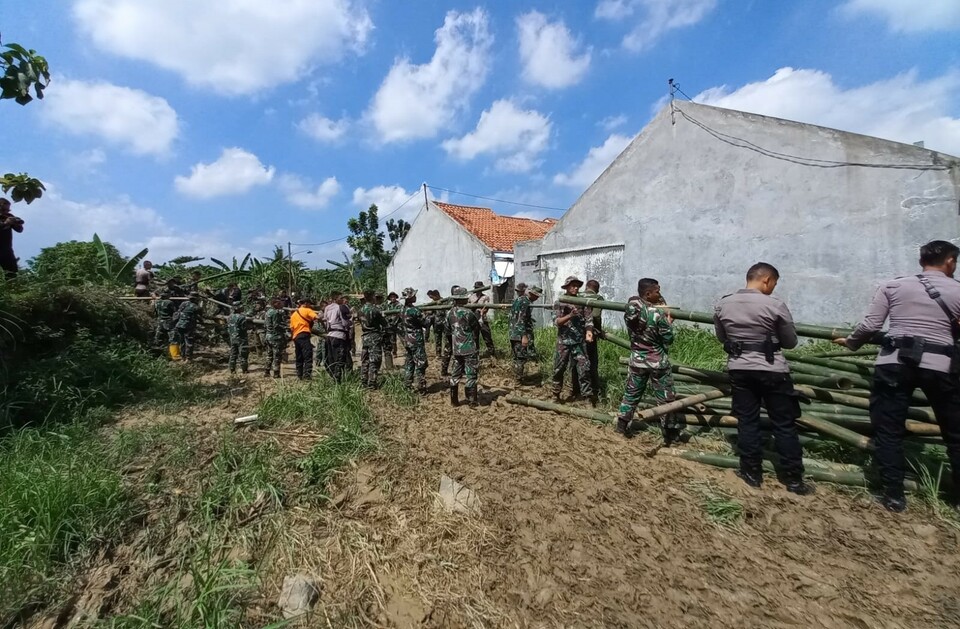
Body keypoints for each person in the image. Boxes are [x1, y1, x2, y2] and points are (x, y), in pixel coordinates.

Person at [834, 240, 960, 511]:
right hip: (941, 366)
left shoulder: (894, 286)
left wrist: (852, 343)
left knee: (888, 430)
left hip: (895, 362)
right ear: (950, 261)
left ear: (921, 260)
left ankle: (893, 496)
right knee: (955, 432)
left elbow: (871, 324)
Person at [715, 263, 812, 495]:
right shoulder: (775, 304)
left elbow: (722, 337)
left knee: (747, 421)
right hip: (772, 369)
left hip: (739, 369)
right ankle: (793, 478)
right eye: (774, 283)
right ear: (766, 280)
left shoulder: (723, 304)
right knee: (784, 423)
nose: (773, 288)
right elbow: (790, 342)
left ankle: (751, 473)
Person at [614, 278, 680, 441]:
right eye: (657, 291)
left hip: (637, 360)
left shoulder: (631, 313)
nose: (659, 294)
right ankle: (669, 432)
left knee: (631, 393)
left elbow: (632, 303)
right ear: (648, 294)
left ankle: (622, 425)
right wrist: (669, 323)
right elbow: (668, 338)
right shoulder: (656, 314)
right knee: (666, 396)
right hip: (657, 362)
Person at [552, 276, 593, 404]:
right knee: (559, 368)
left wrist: (589, 332)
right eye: (572, 285)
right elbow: (557, 322)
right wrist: (570, 315)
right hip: (563, 341)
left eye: (577, 286)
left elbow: (589, 319)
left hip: (579, 341)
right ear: (567, 287)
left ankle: (587, 397)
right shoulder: (560, 302)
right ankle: (555, 394)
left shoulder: (582, 301)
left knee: (584, 369)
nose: (575, 288)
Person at [446, 286, 481, 407]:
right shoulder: (468, 313)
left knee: (455, 374)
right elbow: (476, 329)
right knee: (471, 374)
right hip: (469, 348)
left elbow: (447, 331)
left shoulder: (449, 313)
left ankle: (454, 400)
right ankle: (471, 401)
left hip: (456, 349)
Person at [509, 283, 541, 382]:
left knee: (517, 357)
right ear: (532, 294)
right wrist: (524, 336)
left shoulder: (518, 300)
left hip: (513, 332)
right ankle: (518, 381)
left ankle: (517, 378)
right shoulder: (525, 302)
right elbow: (521, 319)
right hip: (519, 334)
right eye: (536, 296)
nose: (537, 298)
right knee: (521, 358)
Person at [399, 287, 428, 393]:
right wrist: (427, 316)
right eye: (414, 296)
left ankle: (407, 384)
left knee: (410, 362)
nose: (415, 297)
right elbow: (425, 323)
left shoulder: (402, 309)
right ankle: (421, 386)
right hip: (416, 339)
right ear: (410, 298)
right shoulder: (414, 310)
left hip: (407, 339)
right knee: (420, 363)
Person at [359, 289, 387, 389]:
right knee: (374, 360)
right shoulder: (375, 310)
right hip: (374, 336)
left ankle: (363, 381)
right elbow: (384, 323)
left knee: (365, 360)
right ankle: (372, 382)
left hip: (365, 336)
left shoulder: (360, 310)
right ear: (372, 297)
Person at [580, 279, 605, 395]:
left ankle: (577, 389)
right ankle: (594, 389)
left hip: (576, 334)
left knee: (576, 362)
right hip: (589, 333)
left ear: (586, 287)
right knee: (592, 362)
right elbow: (596, 315)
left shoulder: (578, 296)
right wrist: (598, 330)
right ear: (597, 289)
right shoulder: (597, 298)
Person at [323, 292, 352, 383]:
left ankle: (333, 377)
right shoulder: (341, 307)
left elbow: (325, 321)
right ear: (336, 298)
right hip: (339, 335)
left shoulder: (327, 308)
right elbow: (345, 323)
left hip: (330, 335)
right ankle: (337, 380)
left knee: (330, 358)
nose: (342, 300)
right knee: (339, 358)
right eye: (340, 298)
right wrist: (351, 321)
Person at [290, 297, 319, 380]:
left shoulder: (294, 314)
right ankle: (307, 376)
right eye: (310, 304)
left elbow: (291, 328)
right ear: (306, 303)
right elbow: (317, 318)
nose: (310, 306)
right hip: (304, 334)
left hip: (296, 337)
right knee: (307, 355)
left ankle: (299, 375)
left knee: (299, 356)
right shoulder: (307, 310)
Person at [467, 281, 495, 357]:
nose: (478, 289)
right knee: (475, 337)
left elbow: (486, 308)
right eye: (476, 288)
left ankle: (492, 354)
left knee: (487, 336)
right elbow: (468, 307)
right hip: (473, 319)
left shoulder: (485, 297)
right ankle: (476, 355)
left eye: (479, 288)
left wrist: (481, 311)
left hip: (482, 318)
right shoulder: (471, 297)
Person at [174, 292, 203, 360]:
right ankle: (188, 358)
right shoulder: (196, 307)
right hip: (188, 326)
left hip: (179, 325)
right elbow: (200, 315)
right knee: (189, 342)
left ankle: (182, 357)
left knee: (182, 341)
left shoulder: (183, 304)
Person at [0, 198, 24, 278]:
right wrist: (5, 223)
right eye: (4, 210)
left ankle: (12, 289)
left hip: (6, 249)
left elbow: (19, 230)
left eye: (8, 210)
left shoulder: (9, 216)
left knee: (12, 274)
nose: (6, 212)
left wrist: (15, 223)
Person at [263, 297, 287, 378]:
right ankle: (276, 373)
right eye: (279, 303)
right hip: (276, 337)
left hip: (268, 336)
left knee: (269, 354)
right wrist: (285, 328)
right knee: (277, 355)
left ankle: (267, 371)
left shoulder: (268, 312)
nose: (281, 304)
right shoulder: (275, 313)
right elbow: (276, 325)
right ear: (275, 304)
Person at [440, 285, 460, 376]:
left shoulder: (447, 301)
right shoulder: (453, 302)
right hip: (453, 330)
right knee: (453, 351)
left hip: (449, 329)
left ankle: (444, 371)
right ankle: (455, 371)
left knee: (448, 351)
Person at [226, 304, 250, 374]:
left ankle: (232, 369)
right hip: (241, 338)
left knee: (233, 354)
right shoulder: (242, 317)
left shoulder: (229, 317)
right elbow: (244, 328)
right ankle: (244, 370)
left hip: (232, 338)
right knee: (243, 354)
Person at [427, 289, 445, 357]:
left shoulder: (444, 301)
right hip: (436, 324)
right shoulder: (433, 302)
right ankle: (438, 354)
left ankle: (447, 353)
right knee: (438, 339)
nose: (432, 298)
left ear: (437, 295)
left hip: (444, 323)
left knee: (446, 339)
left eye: (433, 297)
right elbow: (430, 312)